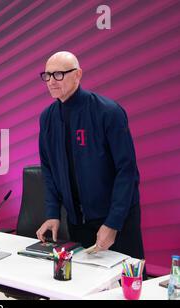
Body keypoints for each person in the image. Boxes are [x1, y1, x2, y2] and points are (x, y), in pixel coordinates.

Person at [36, 51, 145, 276]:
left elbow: (127, 171)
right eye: (47, 75)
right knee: (86, 284)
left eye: (58, 74)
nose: (51, 81)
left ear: (78, 75)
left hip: (117, 221)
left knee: (128, 284)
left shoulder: (108, 112)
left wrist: (113, 223)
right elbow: (48, 169)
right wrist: (52, 213)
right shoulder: (47, 118)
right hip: (78, 223)